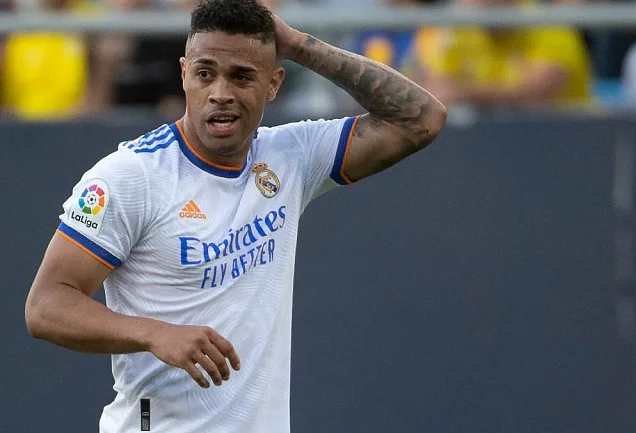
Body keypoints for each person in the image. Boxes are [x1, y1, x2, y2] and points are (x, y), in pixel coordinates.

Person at [23, 1, 447, 432]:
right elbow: (46, 306)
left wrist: (300, 46)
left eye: (242, 76)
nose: (220, 92)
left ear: (273, 83)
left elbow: (421, 120)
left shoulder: (290, 156)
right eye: (205, 73)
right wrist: (155, 333)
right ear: (184, 73)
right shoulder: (131, 176)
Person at [413, 0, 592, 108]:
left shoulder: (548, 24)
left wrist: (466, 93)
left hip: (567, 139)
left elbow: (538, 94)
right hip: (486, 142)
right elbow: (436, 89)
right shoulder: (457, 29)